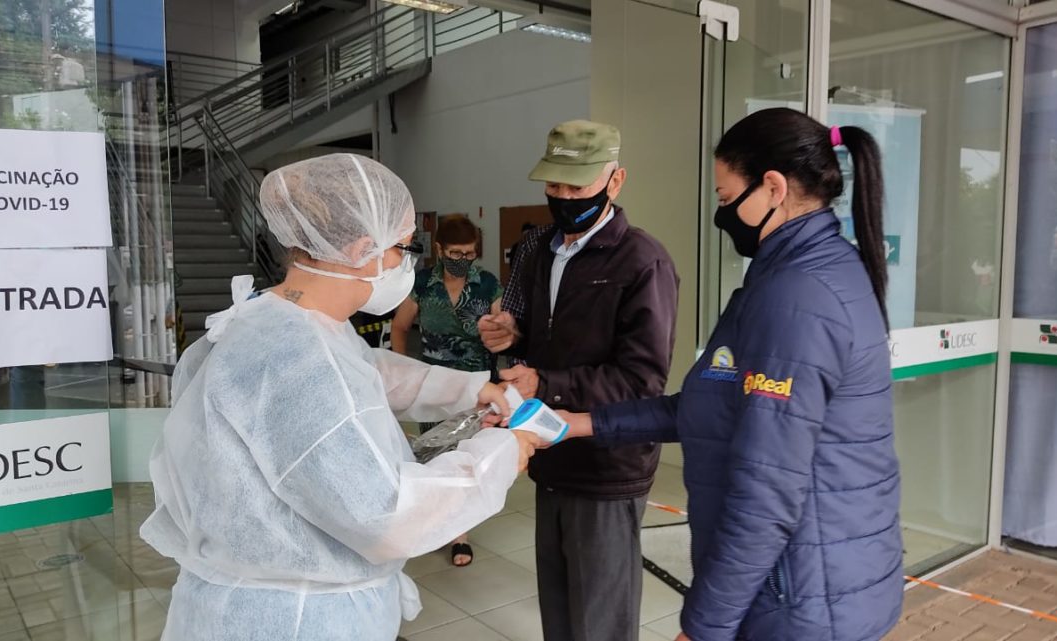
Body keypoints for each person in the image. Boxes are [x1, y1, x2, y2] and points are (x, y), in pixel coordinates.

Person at [140, 154, 544, 641]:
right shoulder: (304, 359)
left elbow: (366, 369)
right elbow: (387, 517)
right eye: (401, 247)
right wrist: (501, 453)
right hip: (298, 622)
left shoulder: (273, 320)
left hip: (236, 607)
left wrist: (469, 388)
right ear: (361, 249)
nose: (404, 262)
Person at [558, 108, 903, 641]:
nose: (721, 213)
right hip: (816, 584)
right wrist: (576, 423)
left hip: (801, 600)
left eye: (724, 198)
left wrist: (703, 627)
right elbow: (709, 403)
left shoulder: (796, 297)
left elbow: (767, 493)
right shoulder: (799, 274)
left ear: (772, 188)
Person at [477, 120, 680, 641]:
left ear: (616, 181)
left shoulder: (643, 261)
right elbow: (539, 342)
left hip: (608, 463)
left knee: (600, 621)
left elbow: (641, 381)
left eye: (577, 185)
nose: (563, 197)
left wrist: (546, 381)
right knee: (562, 613)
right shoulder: (540, 250)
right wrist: (509, 337)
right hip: (549, 451)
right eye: (553, 185)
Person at [391, 213, 503, 567]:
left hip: (476, 384)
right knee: (435, 454)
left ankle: (459, 534)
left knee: (467, 457)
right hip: (433, 385)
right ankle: (434, 522)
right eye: (455, 253)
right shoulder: (422, 283)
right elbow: (399, 327)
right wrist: (403, 372)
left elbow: (503, 333)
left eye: (469, 253)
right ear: (439, 249)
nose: (462, 260)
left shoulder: (487, 284)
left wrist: (500, 336)